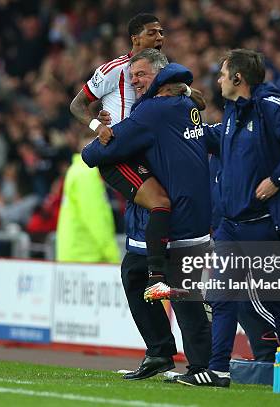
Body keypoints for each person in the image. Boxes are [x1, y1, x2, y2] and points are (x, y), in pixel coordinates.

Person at [82, 49, 214, 385]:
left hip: (176, 222)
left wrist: (92, 147)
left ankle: (201, 367)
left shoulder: (154, 111)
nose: (135, 82)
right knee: (136, 272)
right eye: (133, 76)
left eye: (141, 74)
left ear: (160, 74)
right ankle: (166, 353)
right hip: (190, 217)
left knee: (180, 293)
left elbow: (101, 151)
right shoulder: (187, 107)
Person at [207, 49, 280, 385]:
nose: (218, 80)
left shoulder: (271, 107)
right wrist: (187, 121)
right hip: (230, 225)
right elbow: (218, 142)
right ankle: (217, 369)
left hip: (265, 226)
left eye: (222, 74)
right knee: (222, 296)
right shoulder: (229, 113)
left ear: (238, 78)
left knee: (278, 301)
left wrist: (277, 180)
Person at [70, 13, 198, 300]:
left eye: (162, 32)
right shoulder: (114, 70)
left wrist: (187, 91)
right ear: (136, 38)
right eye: (153, 33)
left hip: (148, 153)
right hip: (120, 155)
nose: (160, 38)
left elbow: (196, 99)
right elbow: (77, 105)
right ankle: (155, 276)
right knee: (160, 202)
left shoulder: (162, 70)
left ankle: (160, 270)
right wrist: (98, 126)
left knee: (165, 205)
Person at [55, 133, 120, 263]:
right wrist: (113, 256)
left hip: (75, 254)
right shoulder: (87, 175)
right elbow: (95, 218)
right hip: (86, 256)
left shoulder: (75, 170)